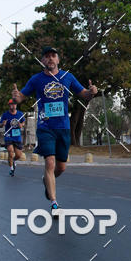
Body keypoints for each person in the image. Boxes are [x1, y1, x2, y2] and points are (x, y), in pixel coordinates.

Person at [11, 47, 97, 210]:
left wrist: (92, 92)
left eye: (53, 56)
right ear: (42, 61)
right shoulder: (36, 79)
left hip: (63, 127)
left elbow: (84, 94)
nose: (50, 59)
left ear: (58, 60)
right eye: (47, 56)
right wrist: (17, 97)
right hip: (45, 127)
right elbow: (22, 96)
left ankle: (47, 180)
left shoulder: (67, 77)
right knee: (49, 162)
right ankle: (54, 202)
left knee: (61, 167)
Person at [0, 99, 26, 176]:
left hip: (17, 136)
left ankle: (13, 161)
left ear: (16, 105)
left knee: (18, 155)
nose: (13, 106)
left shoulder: (20, 114)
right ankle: (11, 169)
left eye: (14, 104)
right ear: (9, 105)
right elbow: (0, 124)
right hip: (8, 136)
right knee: (10, 152)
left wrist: (21, 125)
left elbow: (23, 122)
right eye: (11, 104)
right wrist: (2, 124)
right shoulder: (5, 115)